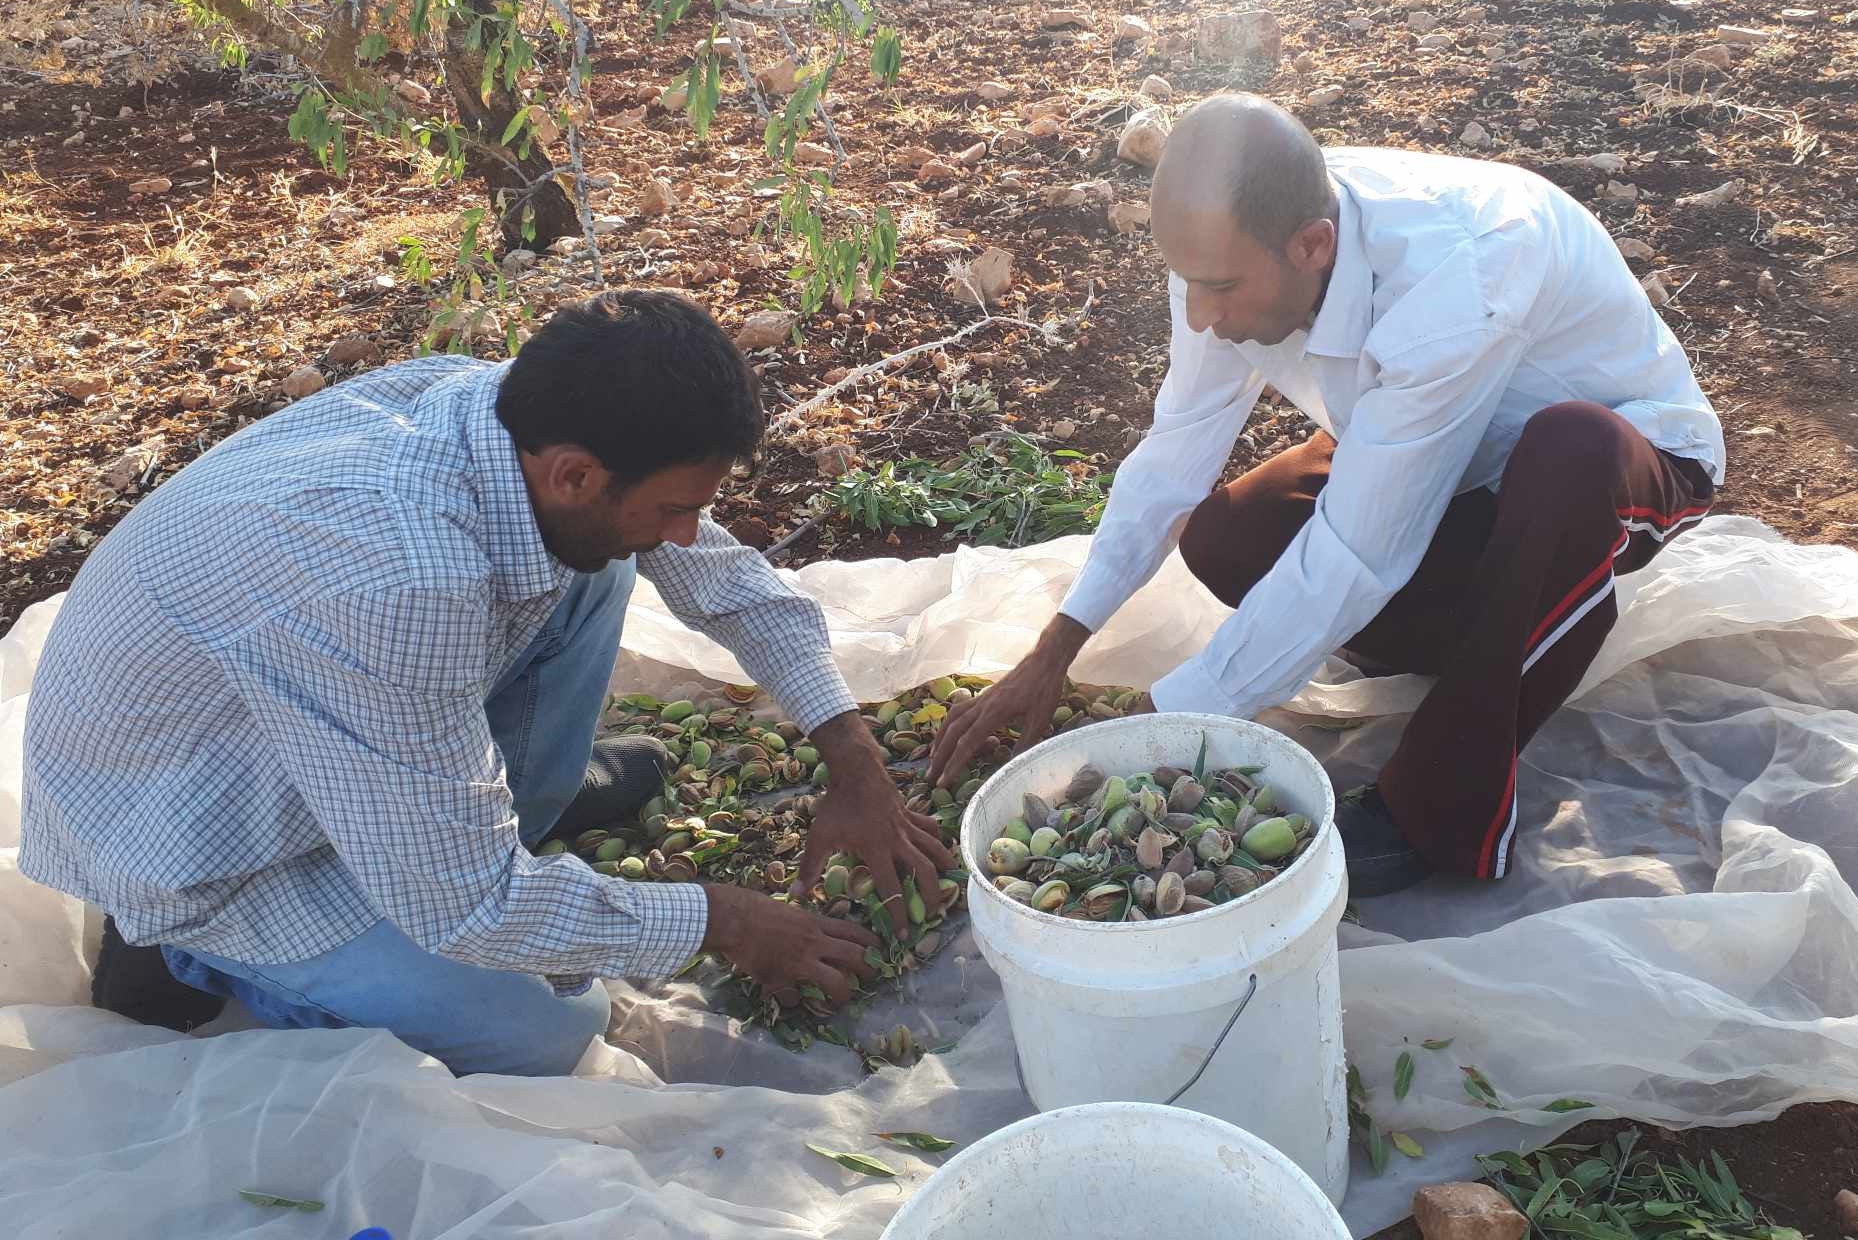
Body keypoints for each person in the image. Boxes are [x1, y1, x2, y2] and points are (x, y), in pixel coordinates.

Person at [23, 290, 951, 1075]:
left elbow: (714, 573)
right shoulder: (402, 580)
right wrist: (727, 922)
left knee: (608, 564)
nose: (685, 530)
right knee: (547, 1028)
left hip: (313, 720)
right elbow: (463, 906)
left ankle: (515, 807)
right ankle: (181, 953)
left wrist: (852, 756)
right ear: (576, 473)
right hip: (196, 838)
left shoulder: (507, 416)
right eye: (675, 504)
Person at [933, 94, 1724, 894]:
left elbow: (1358, 549)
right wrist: (1055, 649)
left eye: (1219, 290)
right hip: (1443, 457)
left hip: (1626, 459)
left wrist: (1161, 728)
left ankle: (1433, 813)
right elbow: (1176, 450)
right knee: (1226, 536)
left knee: (1566, 451)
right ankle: (1485, 636)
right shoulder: (1231, 245)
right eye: (1186, 285)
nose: (1202, 317)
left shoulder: (1456, 286)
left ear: (1313, 247)